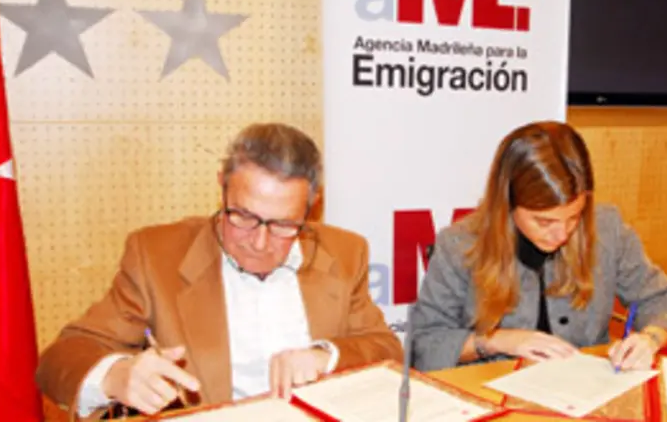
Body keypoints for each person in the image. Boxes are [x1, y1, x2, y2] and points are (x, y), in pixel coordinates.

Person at [36, 123, 403, 419]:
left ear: (311, 210)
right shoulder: (156, 255)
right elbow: (60, 358)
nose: (259, 243)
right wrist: (116, 375)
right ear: (222, 189)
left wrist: (326, 356)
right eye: (242, 216)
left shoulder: (344, 252)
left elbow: (387, 349)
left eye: (282, 225)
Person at [410, 121, 667, 372]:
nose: (560, 233)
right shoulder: (460, 244)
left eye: (573, 217)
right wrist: (496, 340)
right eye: (543, 221)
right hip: (491, 390)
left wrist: (651, 339)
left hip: (584, 395)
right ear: (507, 203)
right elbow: (424, 345)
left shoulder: (608, 229)